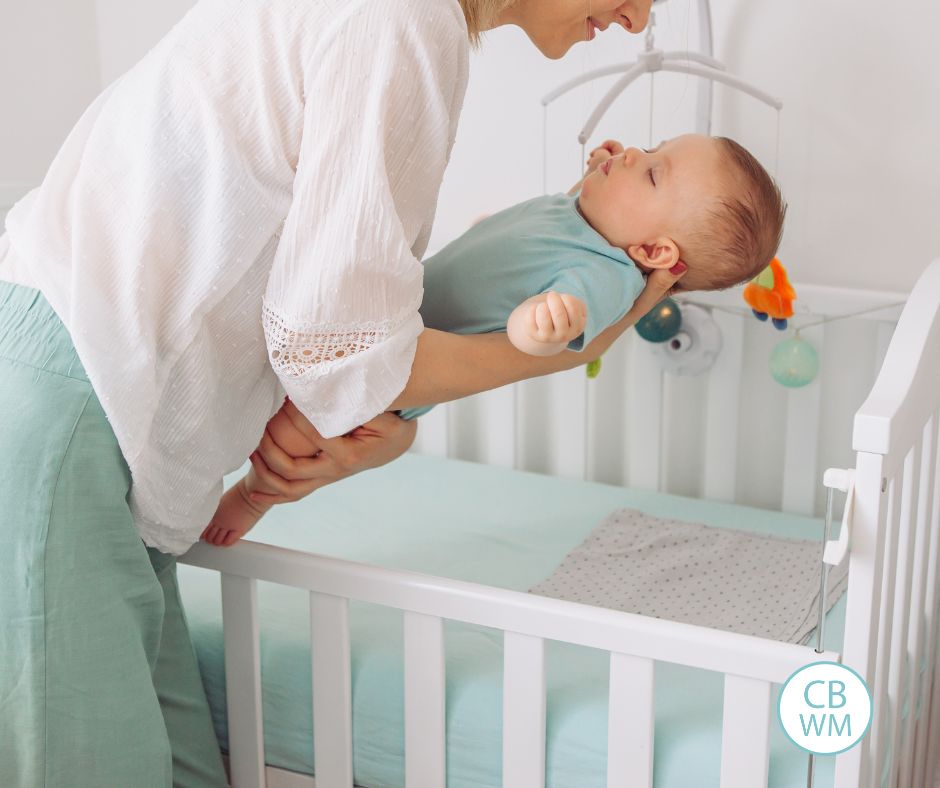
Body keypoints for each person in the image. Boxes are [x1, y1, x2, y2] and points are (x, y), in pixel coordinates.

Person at [0, 1, 681, 786]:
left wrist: (379, 410)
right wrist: (553, 358)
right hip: (71, 404)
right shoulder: (400, 21)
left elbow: (327, 318)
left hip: (104, 413)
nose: (637, 19)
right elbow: (333, 343)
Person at [202, 132, 785, 547]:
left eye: (653, 172)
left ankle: (253, 497)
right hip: (384, 321)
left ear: (655, 255)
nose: (634, 152)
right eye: (652, 147)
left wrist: (544, 325)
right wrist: (606, 171)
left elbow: (568, 325)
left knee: (292, 432)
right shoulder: (581, 217)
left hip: (390, 382)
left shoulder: (604, 276)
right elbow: (559, 225)